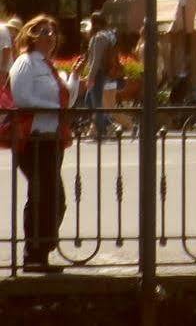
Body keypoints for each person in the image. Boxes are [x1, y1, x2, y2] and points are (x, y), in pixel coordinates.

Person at [10, 15, 69, 272]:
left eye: (53, 32)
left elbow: (66, 98)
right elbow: (21, 98)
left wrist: (74, 80)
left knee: (55, 198)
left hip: (51, 138)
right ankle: (33, 255)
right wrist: (54, 108)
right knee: (42, 196)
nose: (50, 36)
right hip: (34, 139)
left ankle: (42, 249)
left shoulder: (47, 66)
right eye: (44, 31)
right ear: (32, 35)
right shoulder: (26, 63)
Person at [77, 15, 121, 140]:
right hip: (104, 72)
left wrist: (90, 77)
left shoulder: (98, 38)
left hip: (98, 73)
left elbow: (96, 60)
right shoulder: (110, 35)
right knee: (89, 101)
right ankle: (108, 123)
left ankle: (103, 130)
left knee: (95, 104)